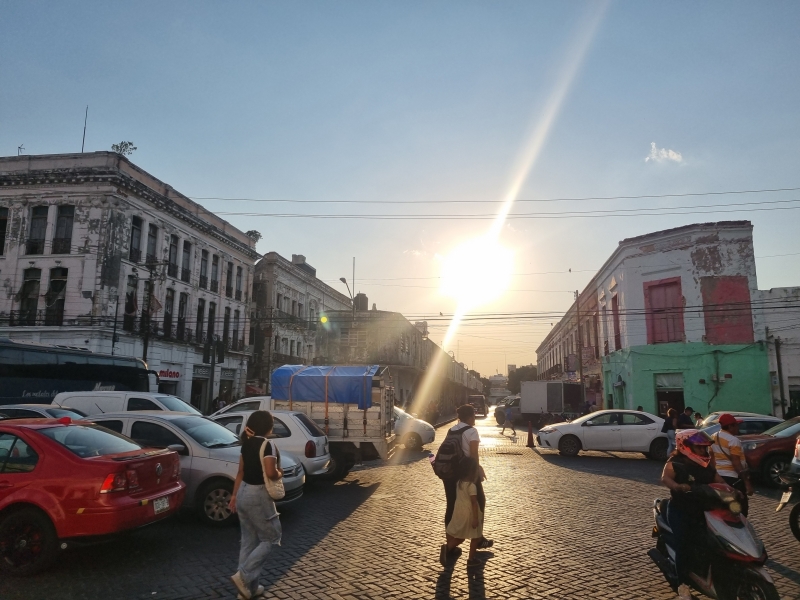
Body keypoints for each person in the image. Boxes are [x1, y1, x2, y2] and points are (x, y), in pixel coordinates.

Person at [660, 429, 726, 600]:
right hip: (680, 510)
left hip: (704, 509)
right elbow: (665, 478)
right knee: (684, 545)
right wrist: (676, 486)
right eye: (700, 448)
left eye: (705, 448)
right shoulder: (676, 462)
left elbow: (718, 479)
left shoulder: (707, 464)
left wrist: (732, 490)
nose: (703, 451)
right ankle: (683, 587)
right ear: (686, 446)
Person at [229, 411, 283, 599]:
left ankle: (248, 591)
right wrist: (280, 473)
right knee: (271, 537)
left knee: (248, 542)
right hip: (258, 494)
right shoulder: (268, 445)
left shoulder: (246, 444)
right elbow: (270, 473)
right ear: (268, 426)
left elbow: (240, 471)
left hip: (243, 492)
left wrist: (234, 496)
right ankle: (242, 577)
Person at [442, 405, 493, 562]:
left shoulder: (453, 430)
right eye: (474, 415)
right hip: (467, 474)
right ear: (470, 416)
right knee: (479, 502)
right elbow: (473, 454)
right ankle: (477, 538)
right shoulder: (472, 431)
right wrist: (477, 472)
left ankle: (450, 543)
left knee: (452, 505)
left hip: (451, 474)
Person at [441, 457, 484, 570]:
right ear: (472, 472)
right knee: (475, 537)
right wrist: (475, 518)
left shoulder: (459, 483)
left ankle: (448, 547)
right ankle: (471, 559)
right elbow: (474, 503)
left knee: (460, 537)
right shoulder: (472, 487)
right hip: (470, 514)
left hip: (459, 511)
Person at [711, 413, 753, 516]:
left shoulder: (712, 437)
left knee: (723, 506)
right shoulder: (733, 440)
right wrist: (747, 483)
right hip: (733, 479)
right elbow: (736, 463)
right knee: (740, 509)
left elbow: (711, 459)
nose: (737, 427)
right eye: (735, 425)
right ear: (730, 426)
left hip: (718, 476)